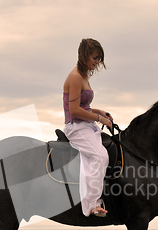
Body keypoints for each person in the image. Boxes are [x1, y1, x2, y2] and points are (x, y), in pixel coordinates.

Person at [63, 38, 113, 217]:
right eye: (95, 57)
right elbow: (74, 110)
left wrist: (100, 112)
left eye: (99, 58)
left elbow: (83, 106)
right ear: (84, 56)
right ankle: (92, 204)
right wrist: (99, 118)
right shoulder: (76, 77)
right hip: (76, 127)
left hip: (86, 124)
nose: (97, 62)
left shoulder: (83, 76)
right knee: (101, 156)